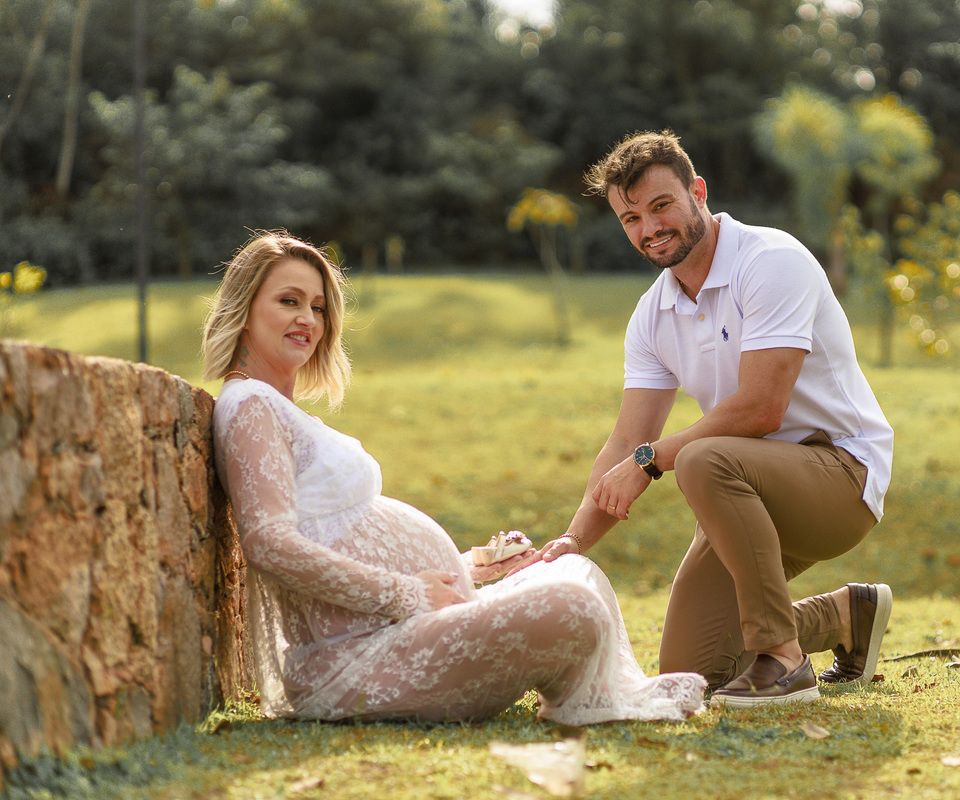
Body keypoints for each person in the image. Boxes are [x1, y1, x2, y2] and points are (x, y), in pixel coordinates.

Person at [201, 230, 705, 724]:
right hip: (354, 657)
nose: (308, 319)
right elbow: (269, 544)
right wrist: (405, 592)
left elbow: (334, 533)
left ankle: (600, 690)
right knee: (572, 605)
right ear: (244, 308)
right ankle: (589, 700)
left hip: (401, 626)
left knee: (576, 572)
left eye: (317, 307)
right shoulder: (250, 405)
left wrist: (467, 569)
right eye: (289, 301)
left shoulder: (279, 409)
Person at [525, 131, 895, 708]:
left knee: (701, 458)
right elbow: (628, 439)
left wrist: (649, 462)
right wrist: (573, 542)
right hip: (744, 496)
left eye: (661, 206)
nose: (649, 229)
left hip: (840, 478)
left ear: (697, 192)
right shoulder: (653, 314)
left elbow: (761, 408)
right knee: (690, 673)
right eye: (631, 219)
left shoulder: (770, 261)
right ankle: (846, 616)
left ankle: (784, 660)